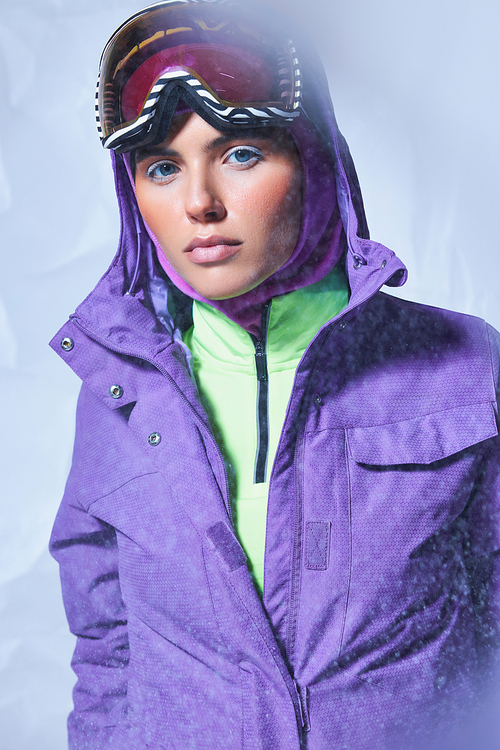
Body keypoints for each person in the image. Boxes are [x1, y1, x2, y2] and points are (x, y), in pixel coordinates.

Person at [49, 1, 500, 748]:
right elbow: (106, 655)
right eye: (162, 168)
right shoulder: (117, 394)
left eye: (240, 153)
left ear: (314, 156)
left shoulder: (467, 369)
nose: (199, 203)